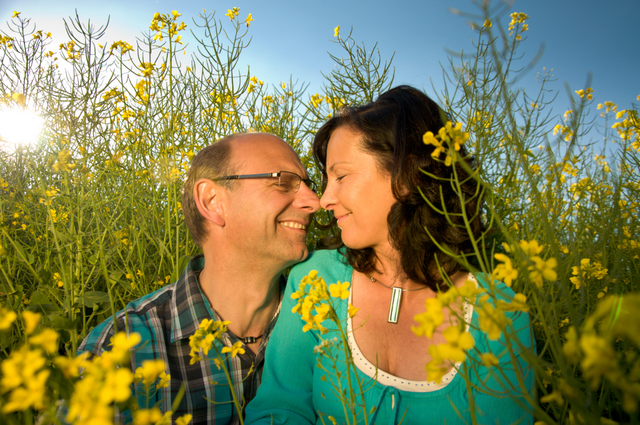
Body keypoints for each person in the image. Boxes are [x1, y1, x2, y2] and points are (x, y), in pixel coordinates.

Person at [245, 86, 534, 424]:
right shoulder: (315, 278)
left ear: (407, 175)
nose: (325, 200)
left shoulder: (501, 312)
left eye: (340, 176)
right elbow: (279, 410)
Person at [78, 133, 320, 424]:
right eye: (283, 181)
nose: (314, 201)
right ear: (212, 200)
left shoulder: (330, 323)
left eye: (309, 185)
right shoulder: (121, 349)